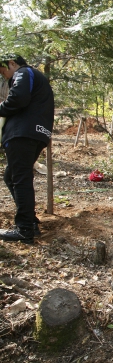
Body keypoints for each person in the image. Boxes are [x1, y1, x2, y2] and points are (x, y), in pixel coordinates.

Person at [0, 55, 54, 244]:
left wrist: (1, 108)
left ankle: (24, 229)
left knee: (19, 178)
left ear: (12, 64)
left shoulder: (24, 72)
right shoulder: (38, 79)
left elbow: (18, 99)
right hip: (37, 134)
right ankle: (30, 223)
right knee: (11, 177)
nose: (5, 76)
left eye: (4, 71)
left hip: (23, 134)